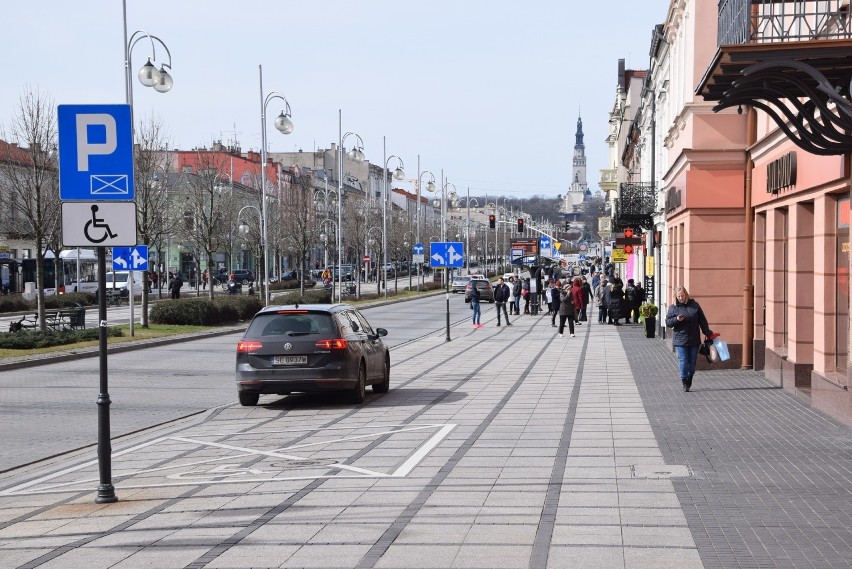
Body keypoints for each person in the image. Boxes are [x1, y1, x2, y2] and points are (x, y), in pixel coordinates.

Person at [665, 286, 714, 392]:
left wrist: (708, 333)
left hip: (694, 338)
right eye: (678, 296)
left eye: (682, 296)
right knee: (683, 360)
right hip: (680, 339)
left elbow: (702, 321)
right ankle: (684, 380)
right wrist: (677, 319)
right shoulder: (673, 307)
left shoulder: (695, 306)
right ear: (676, 297)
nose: (681, 298)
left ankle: (690, 377)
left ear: (686, 295)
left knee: (692, 361)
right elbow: (668, 322)